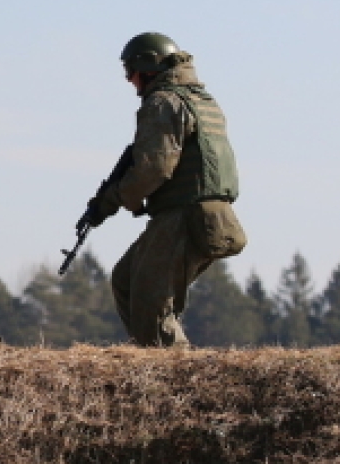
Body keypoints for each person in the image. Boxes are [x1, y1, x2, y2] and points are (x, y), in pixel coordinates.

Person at [82, 34, 246, 347]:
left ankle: (170, 375)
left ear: (145, 69)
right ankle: (156, 359)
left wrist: (112, 199)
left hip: (186, 214)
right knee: (127, 280)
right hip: (209, 214)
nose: (130, 83)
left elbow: (153, 169)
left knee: (150, 302)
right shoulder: (201, 100)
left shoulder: (162, 103)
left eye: (130, 74)